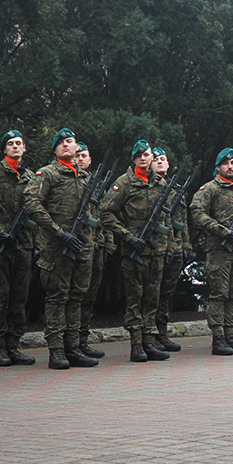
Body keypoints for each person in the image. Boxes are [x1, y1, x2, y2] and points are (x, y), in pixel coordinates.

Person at [25, 128, 99, 369]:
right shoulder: (47, 174)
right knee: (57, 297)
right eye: (62, 142)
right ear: (55, 149)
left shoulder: (85, 177)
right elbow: (32, 205)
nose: (67, 145)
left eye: (71, 141)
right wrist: (58, 232)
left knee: (77, 297)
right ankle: (56, 351)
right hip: (56, 247)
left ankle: (73, 347)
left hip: (81, 246)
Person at [100, 140, 172, 362]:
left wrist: (168, 245)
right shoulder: (124, 183)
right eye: (139, 155)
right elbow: (106, 213)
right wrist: (127, 236)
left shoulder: (160, 183)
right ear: (133, 159)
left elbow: (166, 216)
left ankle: (149, 340)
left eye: (147, 154)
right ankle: (136, 344)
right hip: (134, 250)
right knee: (134, 297)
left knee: (152, 297)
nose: (143, 158)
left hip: (156, 248)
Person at [190, 148, 233, 356]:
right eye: (226, 163)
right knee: (219, 294)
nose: (231, 167)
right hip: (219, 249)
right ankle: (218, 337)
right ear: (218, 167)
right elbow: (196, 214)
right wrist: (221, 231)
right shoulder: (209, 189)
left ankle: (230, 333)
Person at [0, 130, 37, 367]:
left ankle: (14, 346)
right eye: (10, 144)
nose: (15, 146)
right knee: (0, 298)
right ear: (4, 149)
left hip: (24, 244)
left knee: (19, 297)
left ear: (24, 148)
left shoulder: (29, 177)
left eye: (19, 143)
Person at [75, 142, 113, 359]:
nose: (81, 159)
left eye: (85, 156)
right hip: (77, 245)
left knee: (90, 295)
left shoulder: (99, 186)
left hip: (96, 246)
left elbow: (104, 218)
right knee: (74, 295)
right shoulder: (70, 183)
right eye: (78, 155)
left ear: (90, 161)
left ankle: (82, 340)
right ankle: (69, 342)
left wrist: (108, 245)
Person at [151, 147, 189, 351]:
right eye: (155, 159)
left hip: (175, 247)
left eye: (162, 159)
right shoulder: (149, 187)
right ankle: (149, 335)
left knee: (166, 293)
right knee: (152, 293)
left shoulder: (176, 189)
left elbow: (182, 221)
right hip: (156, 246)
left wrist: (186, 244)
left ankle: (161, 332)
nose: (159, 162)